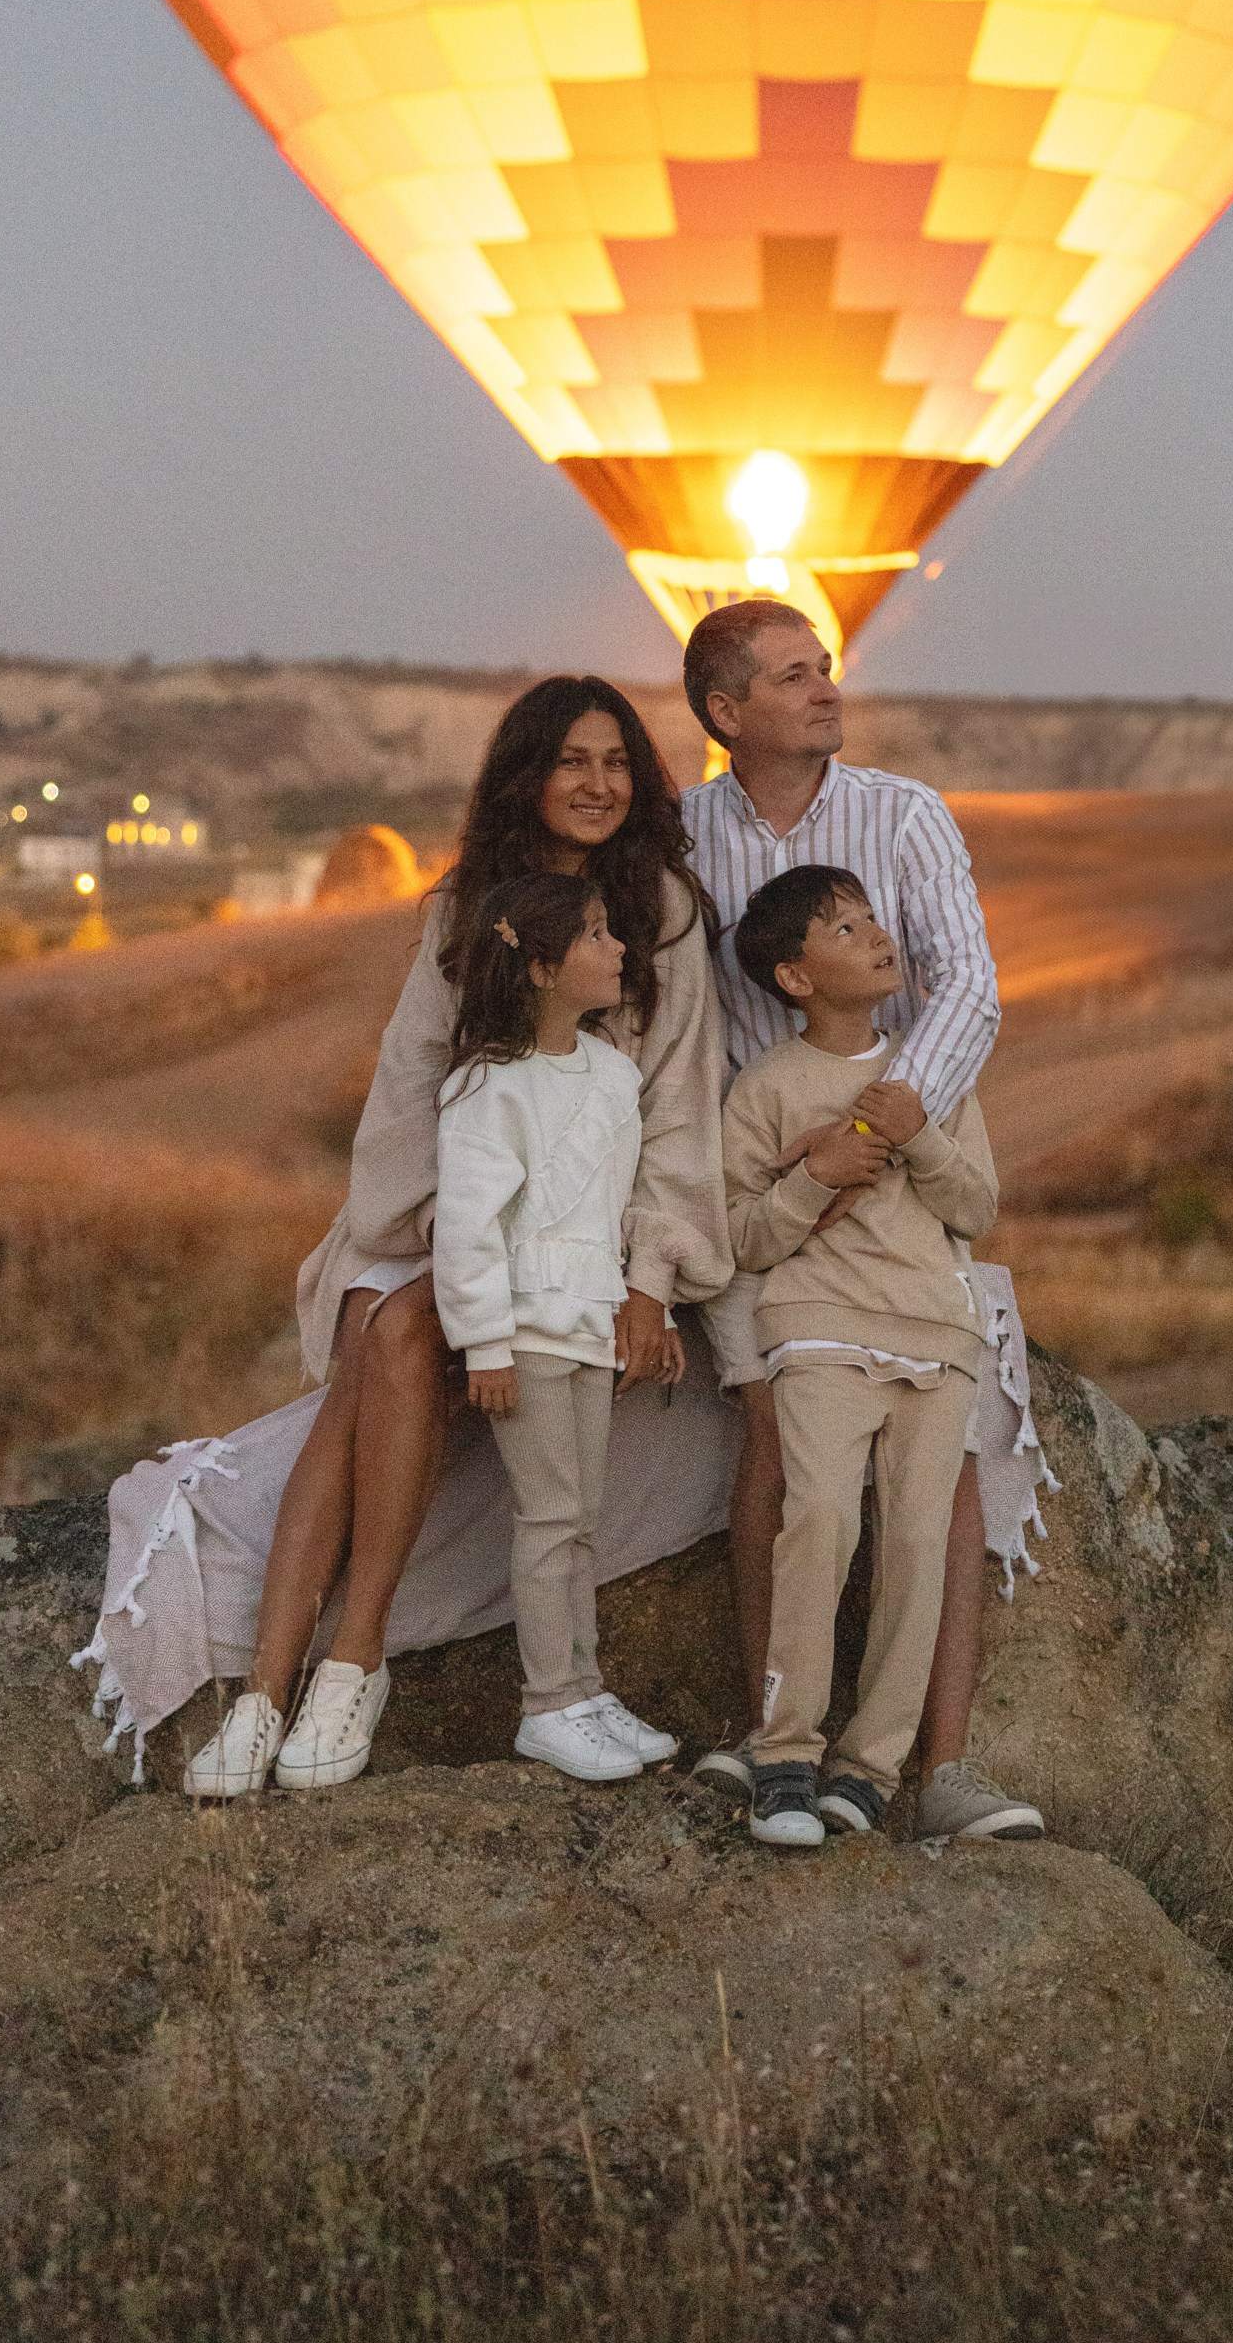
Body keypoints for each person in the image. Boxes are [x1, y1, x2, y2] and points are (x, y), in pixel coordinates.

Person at [184, 677, 730, 1799]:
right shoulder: (463, 909)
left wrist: (651, 1276)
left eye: (616, 761)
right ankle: (276, 1690)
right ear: (526, 776)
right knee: (379, 1336)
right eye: (570, 761)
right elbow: (410, 1090)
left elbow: (676, 1109)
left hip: (573, 1230)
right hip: (444, 1203)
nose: (596, 783)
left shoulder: (658, 911)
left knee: (398, 1349)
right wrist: (438, 1240)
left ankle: (353, 1657)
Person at [680, 599, 1045, 1844]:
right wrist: (773, 1168)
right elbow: (678, 1024)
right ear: (727, 713)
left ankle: (928, 1766)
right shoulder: (681, 840)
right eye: (792, 676)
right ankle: (772, 1737)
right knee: (779, 1459)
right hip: (766, 1193)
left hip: (889, 1184)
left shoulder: (902, 815)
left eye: (824, 668)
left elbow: (971, 990)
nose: (826, 690)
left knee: (933, 1480)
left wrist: (873, 1132)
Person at [721, 866, 1002, 1849]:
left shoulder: (930, 1080)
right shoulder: (764, 1091)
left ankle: (869, 1771)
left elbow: (976, 1209)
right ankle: (784, 1755)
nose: (877, 936)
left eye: (872, 917)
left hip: (934, 1332)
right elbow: (739, 1240)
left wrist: (915, 1137)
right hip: (819, 1326)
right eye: (845, 928)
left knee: (920, 1547)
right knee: (822, 1519)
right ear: (795, 978)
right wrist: (818, 1176)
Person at [432, 872, 679, 1784]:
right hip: (527, 1335)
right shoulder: (489, 1088)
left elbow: (616, 1211)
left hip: (586, 1324)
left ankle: (583, 1686)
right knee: (547, 1518)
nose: (617, 950)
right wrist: (484, 1345)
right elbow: (467, 1227)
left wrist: (634, 1298)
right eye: (593, 935)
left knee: (581, 1520)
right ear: (539, 966)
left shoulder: (614, 1073)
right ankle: (546, 1705)